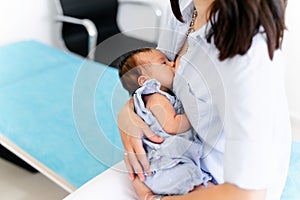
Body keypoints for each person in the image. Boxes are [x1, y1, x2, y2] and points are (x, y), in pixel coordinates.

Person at [117, 0, 292, 200]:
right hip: (179, 157)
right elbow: (155, 80)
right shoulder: (186, 8)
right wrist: (128, 115)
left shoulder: (249, 58)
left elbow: (248, 194)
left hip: (216, 185)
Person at [118, 48, 212, 195]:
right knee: (196, 184)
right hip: (168, 163)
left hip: (165, 163)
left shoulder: (153, 98)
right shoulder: (156, 98)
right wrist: (197, 114)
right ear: (145, 81)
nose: (172, 63)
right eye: (163, 62)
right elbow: (172, 125)